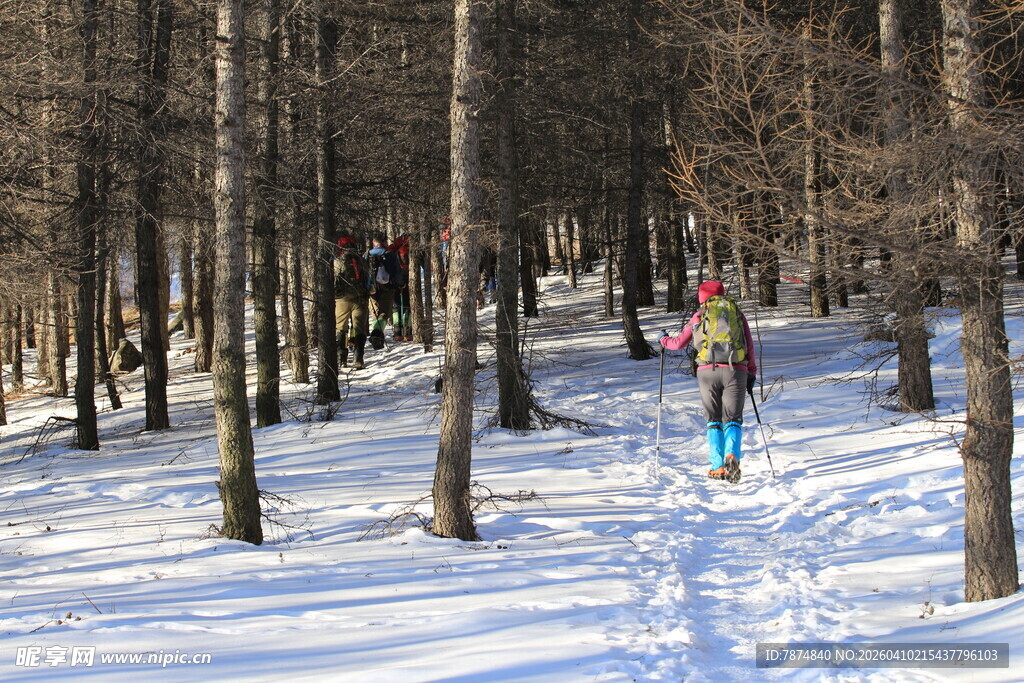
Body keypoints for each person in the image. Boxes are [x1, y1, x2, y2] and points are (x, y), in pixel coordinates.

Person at [659, 280, 757, 482]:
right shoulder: (737, 314)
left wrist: (663, 339)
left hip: (707, 372)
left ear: (702, 297)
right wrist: (751, 373)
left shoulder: (699, 316)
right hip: (735, 370)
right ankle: (732, 455)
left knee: (713, 419)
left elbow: (678, 344)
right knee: (733, 419)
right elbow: (749, 346)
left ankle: (717, 466)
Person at [334, 235, 370, 370]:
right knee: (358, 328)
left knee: (341, 328)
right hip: (360, 299)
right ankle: (358, 359)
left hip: (342, 300)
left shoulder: (337, 262)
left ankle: (341, 358)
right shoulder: (362, 261)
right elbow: (369, 279)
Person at [366, 235, 400, 348]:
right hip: (387, 287)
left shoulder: (367, 255)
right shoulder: (390, 254)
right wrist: (399, 284)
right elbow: (397, 271)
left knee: (375, 313)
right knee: (384, 313)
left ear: (374, 242)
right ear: (383, 242)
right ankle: (376, 334)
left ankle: (378, 339)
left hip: (372, 289)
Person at [388, 235, 412, 341]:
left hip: (396, 281)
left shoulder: (393, 252)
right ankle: (407, 332)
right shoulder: (411, 250)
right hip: (409, 280)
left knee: (396, 307)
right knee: (407, 306)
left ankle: (397, 332)